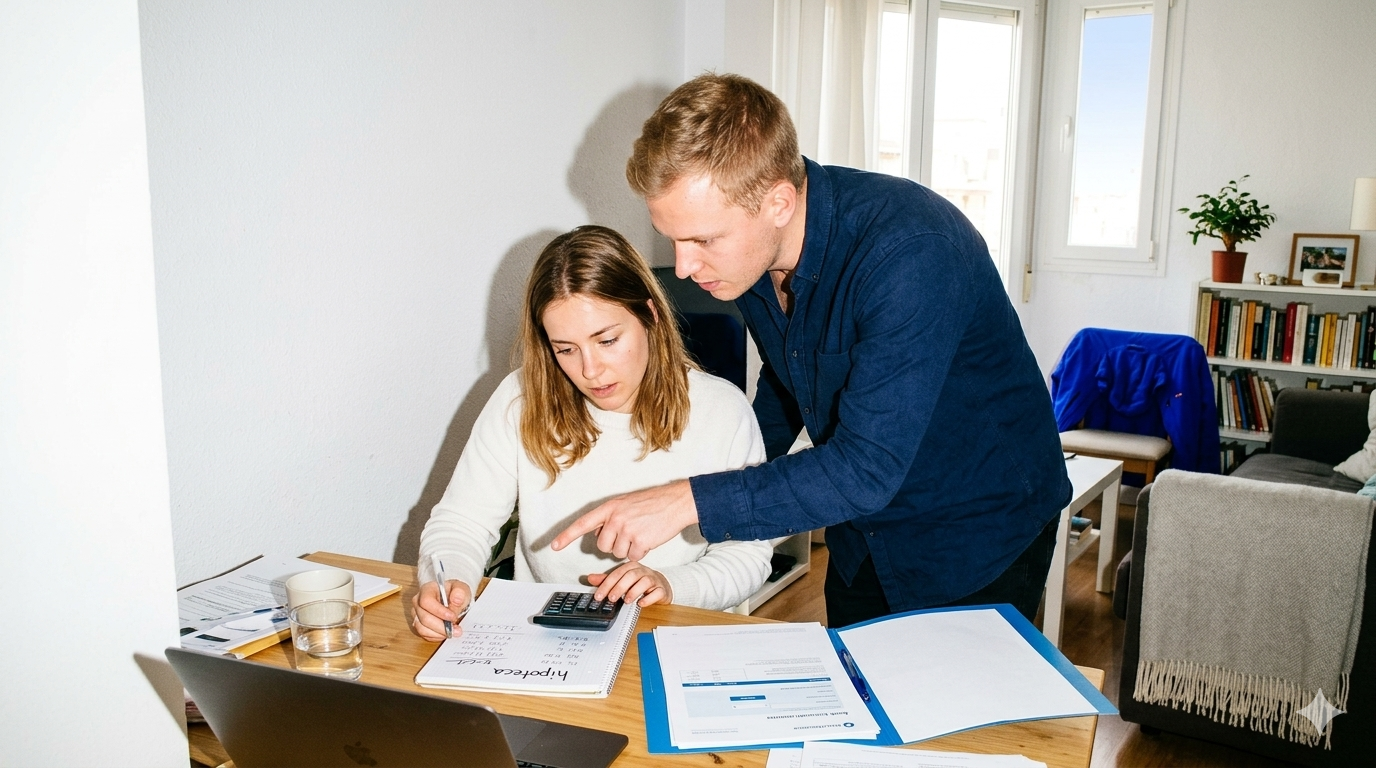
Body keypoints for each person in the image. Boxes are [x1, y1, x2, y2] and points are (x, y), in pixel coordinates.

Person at [552, 74, 1072, 628]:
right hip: (864, 533)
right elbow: (789, 381)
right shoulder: (751, 256)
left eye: (702, 239)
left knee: (949, 688)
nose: (683, 267)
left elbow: (867, 467)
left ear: (778, 202)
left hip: (977, 528)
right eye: (673, 239)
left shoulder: (912, 251)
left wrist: (690, 501)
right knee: (857, 678)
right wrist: (709, 478)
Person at [411, 225, 772, 641]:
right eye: (565, 349)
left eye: (608, 340)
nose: (590, 370)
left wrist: (671, 585)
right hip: (544, 638)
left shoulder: (721, 410)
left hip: (672, 635)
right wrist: (449, 584)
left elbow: (748, 554)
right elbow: (462, 522)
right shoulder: (520, 398)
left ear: (650, 315)